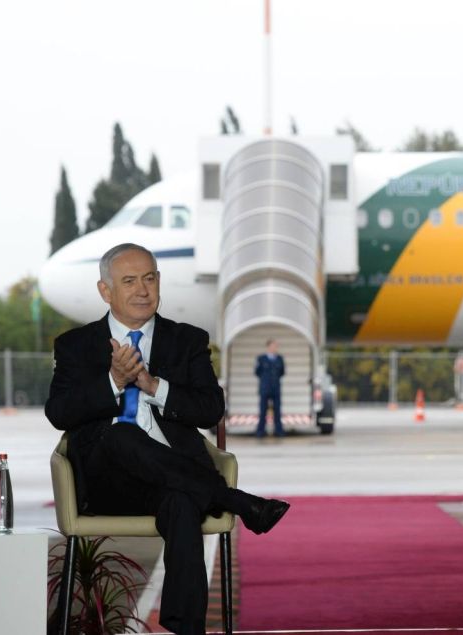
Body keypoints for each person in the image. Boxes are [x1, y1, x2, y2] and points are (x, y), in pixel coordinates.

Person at [45, 243, 290, 635]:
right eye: (129, 281)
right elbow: (59, 413)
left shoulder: (187, 340)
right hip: (109, 482)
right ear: (106, 291)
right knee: (119, 435)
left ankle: (186, 628)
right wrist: (115, 381)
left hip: (172, 479)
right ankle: (234, 499)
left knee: (180, 503)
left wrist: (152, 385)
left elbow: (210, 409)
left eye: (150, 278)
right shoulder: (76, 345)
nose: (143, 289)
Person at [255, 338, 286, 438]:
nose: (274, 348)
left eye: (276, 346)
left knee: (277, 410)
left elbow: (282, 372)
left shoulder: (279, 358)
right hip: (265, 388)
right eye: (273, 346)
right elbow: (257, 372)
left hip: (276, 388)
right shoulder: (261, 358)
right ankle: (260, 431)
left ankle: (279, 431)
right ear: (268, 347)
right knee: (263, 410)